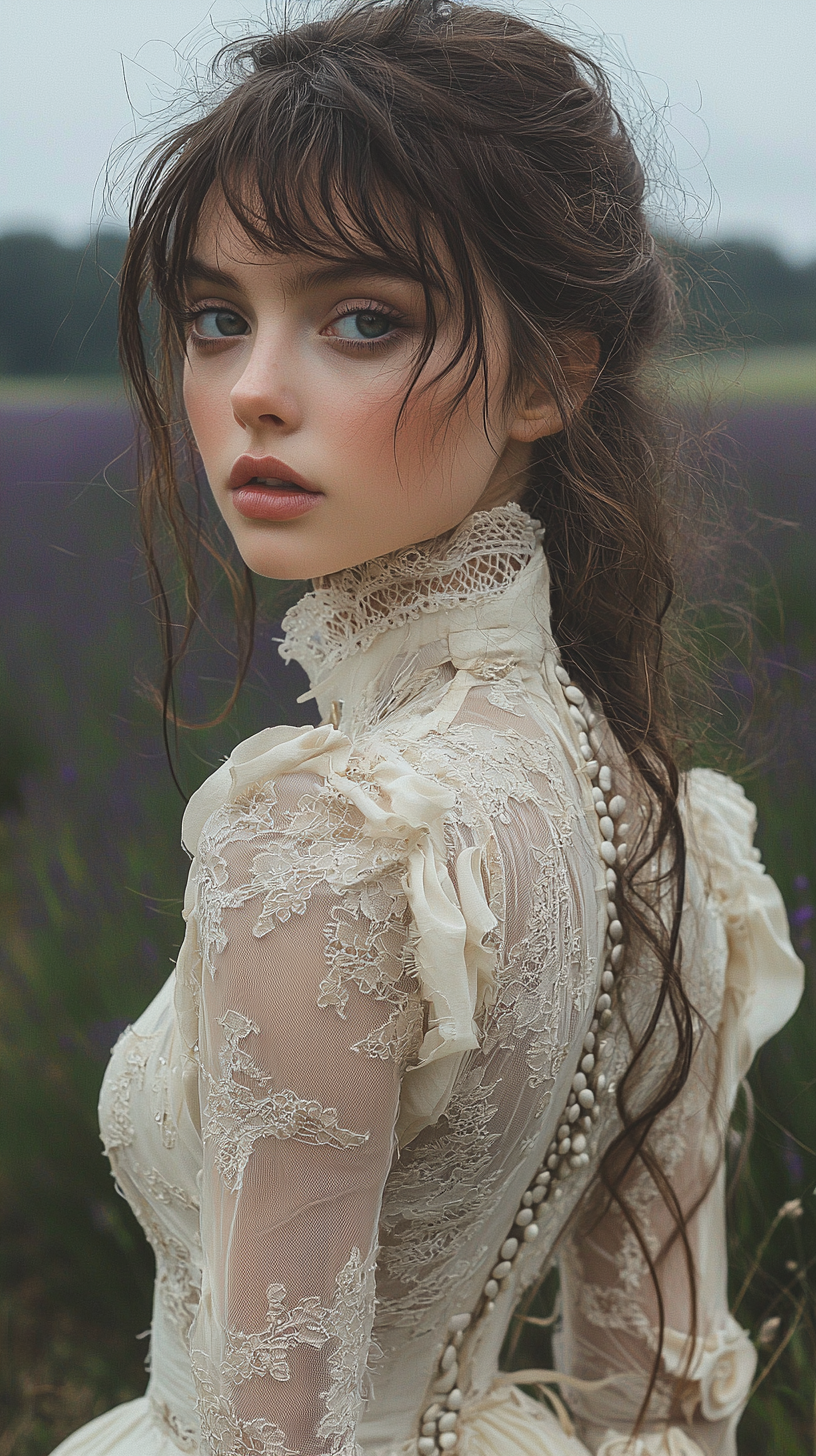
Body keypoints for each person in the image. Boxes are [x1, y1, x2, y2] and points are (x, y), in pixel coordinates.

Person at [52, 2, 804, 1454]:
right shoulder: (671, 823)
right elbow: (662, 1410)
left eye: (360, 320)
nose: (254, 391)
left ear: (550, 374)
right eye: (218, 317)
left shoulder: (328, 838)